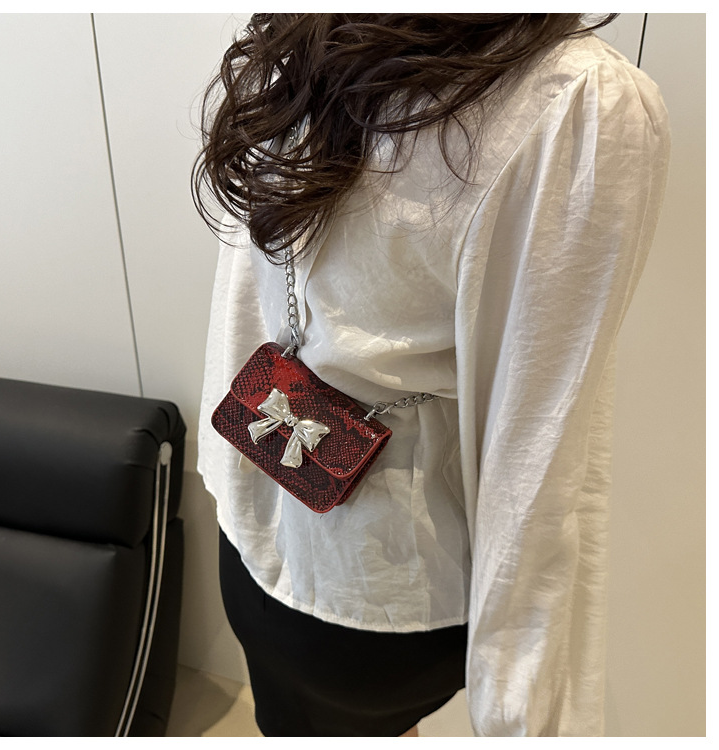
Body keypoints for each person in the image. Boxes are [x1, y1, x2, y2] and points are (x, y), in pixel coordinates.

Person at [193, 13, 671, 737]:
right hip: (375, 590)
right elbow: (542, 446)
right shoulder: (575, 99)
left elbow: (247, 296)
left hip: (260, 526)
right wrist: (530, 717)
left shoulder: (307, 32)